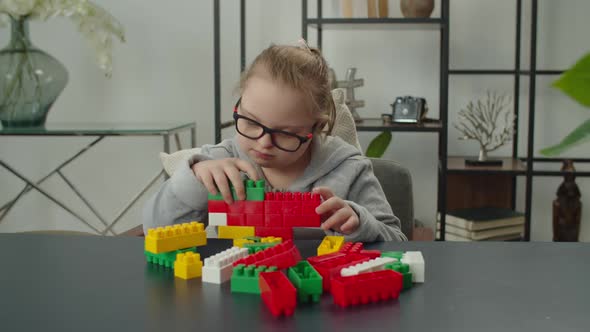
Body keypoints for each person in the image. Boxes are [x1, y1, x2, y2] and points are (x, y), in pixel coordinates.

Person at [143, 40, 407, 242]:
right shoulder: (219, 161)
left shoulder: (349, 170)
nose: (263, 142)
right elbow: (154, 229)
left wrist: (360, 223)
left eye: (285, 133)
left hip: (319, 302)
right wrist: (194, 179)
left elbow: (398, 240)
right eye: (251, 122)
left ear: (316, 128)